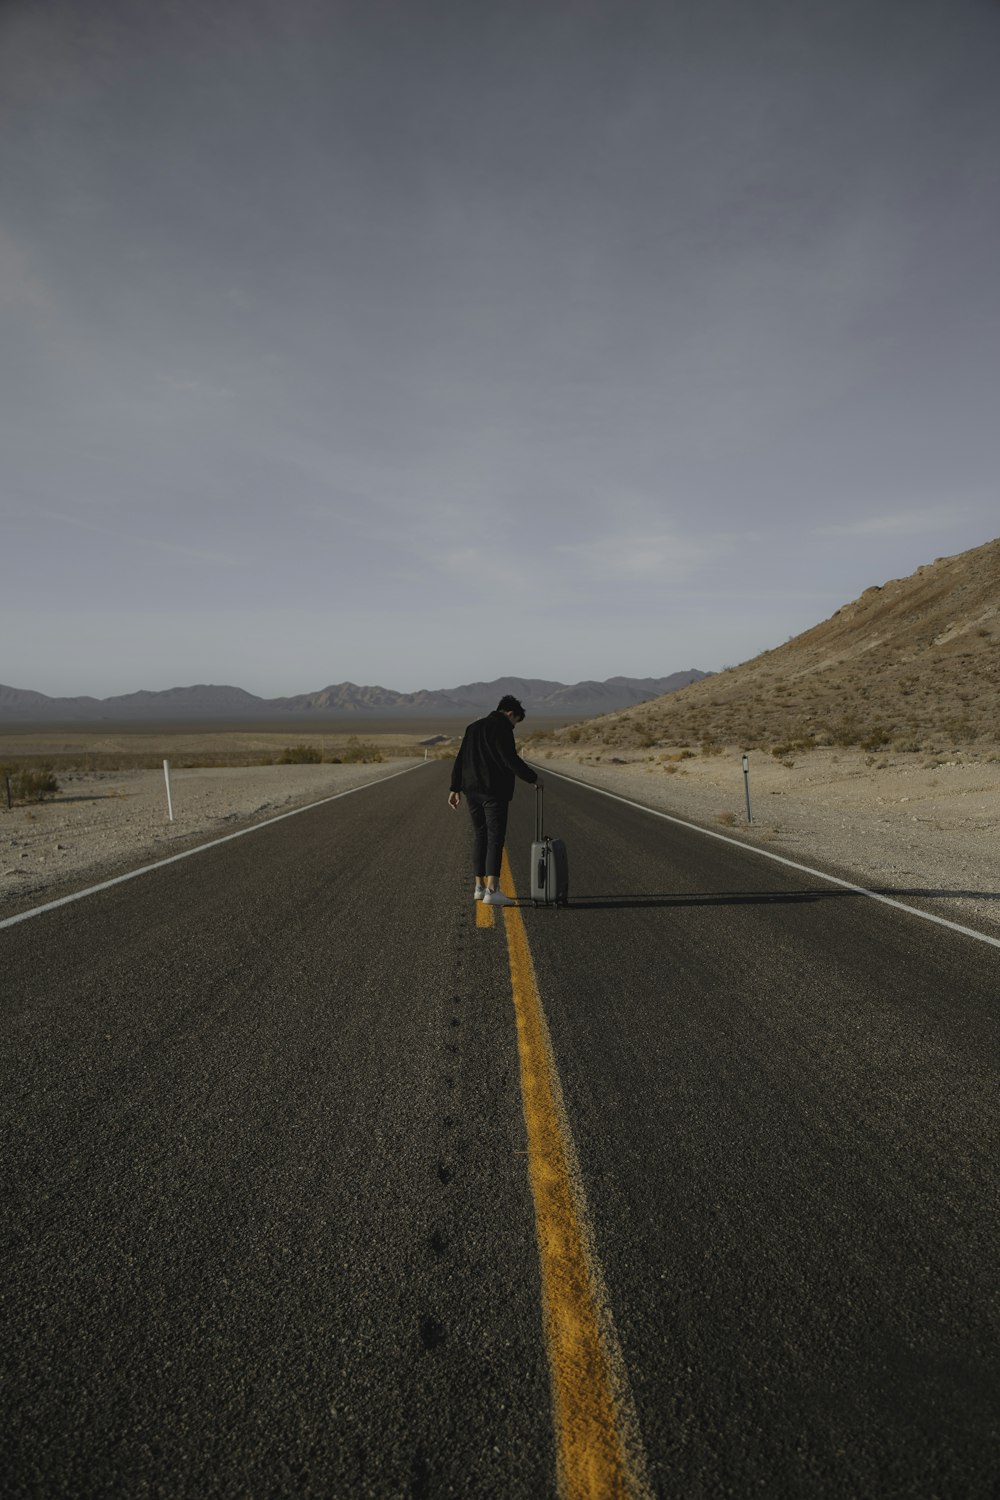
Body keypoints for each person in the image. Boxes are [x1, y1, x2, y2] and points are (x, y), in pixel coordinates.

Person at [448, 694, 541, 905]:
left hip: (471, 790)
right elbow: (510, 759)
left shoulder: (472, 727)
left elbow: (460, 758)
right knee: (495, 838)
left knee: (480, 836)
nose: (514, 726)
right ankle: (493, 890)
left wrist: (454, 788)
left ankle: (479, 887)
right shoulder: (502, 729)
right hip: (493, 792)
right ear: (510, 714)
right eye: (515, 722)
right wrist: (533, 778)